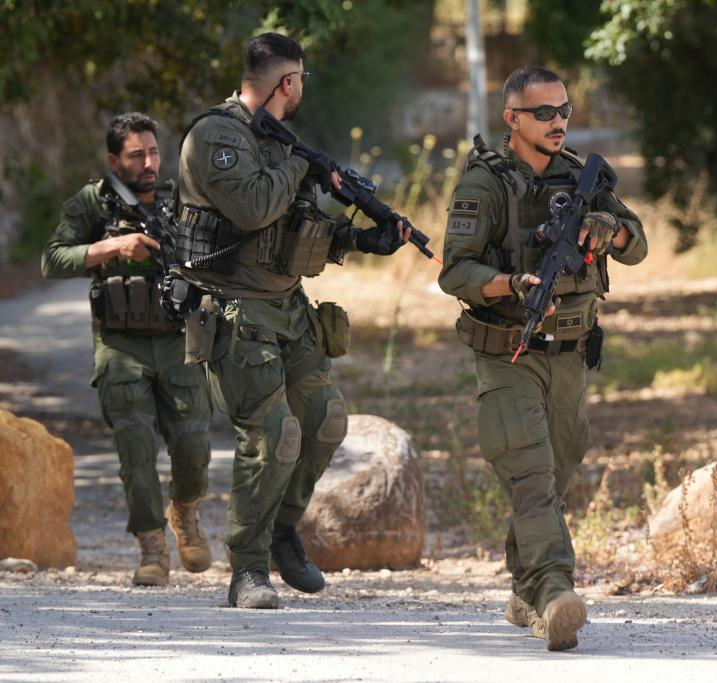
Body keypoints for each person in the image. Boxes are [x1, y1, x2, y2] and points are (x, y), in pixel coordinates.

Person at [174, 32, 410, 609]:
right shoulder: (217, 136)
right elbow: (254, 208)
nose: (302, 88)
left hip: (289, 306)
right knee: (272, 434)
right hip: (236, 310)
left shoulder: (279, 139)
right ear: (287, 81)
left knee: (326, 419)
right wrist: (303, 162)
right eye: (301, 78)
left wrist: (361, 238)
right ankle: (248, 569)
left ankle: (281, 529)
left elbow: (295, 227)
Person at [438, 65, 648, 650]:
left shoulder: (581, 176)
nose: (559, 122)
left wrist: (609, 227)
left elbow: (637, 244)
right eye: (544, 113)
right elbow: (456, 270)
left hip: (571, 358)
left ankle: (525, 589)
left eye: (564, 111)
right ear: (512, 118)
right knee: (531, 476)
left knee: (554, 476)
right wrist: (511, 284)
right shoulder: (486, 183)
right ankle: (556, 592)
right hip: (509, 352)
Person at [41, 112, 214, 587]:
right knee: (136, 451)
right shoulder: (93, 202)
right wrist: (114, 247)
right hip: (120, 345)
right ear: (114, 160)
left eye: (154, 152)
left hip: (177, 340)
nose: (149, 163)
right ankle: (151, 546)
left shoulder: (181, 198)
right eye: (137, 155)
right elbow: (52, 259)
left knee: (194, 446)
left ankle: (185, 512)